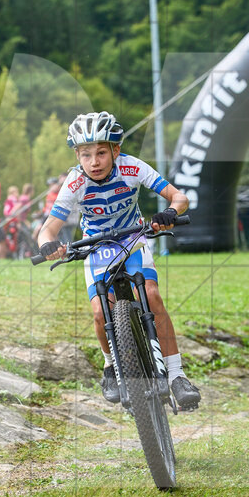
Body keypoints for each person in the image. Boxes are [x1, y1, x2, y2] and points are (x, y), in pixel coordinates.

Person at [36, 111, 201, 411]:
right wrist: (48, 245)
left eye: (101, 152)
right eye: (86, 155)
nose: (94, 162)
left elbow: (179, 197)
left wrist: (170, 214)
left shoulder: (131, 167)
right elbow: (48, 229)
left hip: (132, 238)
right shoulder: (74, 182)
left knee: (151, 295)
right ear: (77, 155)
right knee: (100, 312)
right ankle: (111, 364)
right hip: (96, 248)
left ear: (116, 150)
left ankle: (177, 375)